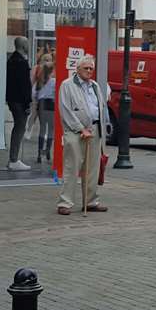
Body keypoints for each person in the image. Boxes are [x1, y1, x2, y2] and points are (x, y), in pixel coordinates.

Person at [56, 54, 108, 215]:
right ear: (77, 69)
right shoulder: (67, 85)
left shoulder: (94, 86)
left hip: (94, 130)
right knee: (72, 167)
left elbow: (101, 107)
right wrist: (80, 129)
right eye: (85, 68)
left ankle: (91, 201)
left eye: (91, 68)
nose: (89, 71)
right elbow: (65, 110)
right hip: (75, 132)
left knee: (92, 168)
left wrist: (103, 126)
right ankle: (65, 202)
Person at [5, 37, 33, 171]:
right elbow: (24, 86)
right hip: (19, 101)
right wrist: (28, 103)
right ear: (23, 46)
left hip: (13, 100)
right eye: (27, 43)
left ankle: (13, 159)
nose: (29, 45)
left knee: (18, 127)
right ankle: (14, 159)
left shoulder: (12, 60)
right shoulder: (20, 62)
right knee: (20, 128)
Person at [32, 50, 57, 164]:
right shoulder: (55, 78)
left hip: (42, 104)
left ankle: (39, 153)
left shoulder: (40, 77)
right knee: (51, 129)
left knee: (42, 129)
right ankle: (47, 151)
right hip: (52, 103)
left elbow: (34, 92)